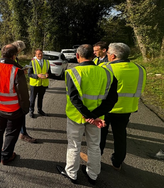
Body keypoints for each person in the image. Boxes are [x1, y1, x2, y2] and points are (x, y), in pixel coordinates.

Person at [56, 44, 118, 185]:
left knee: (74, 145)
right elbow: (112, 99)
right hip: (97, 118)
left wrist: (87, 115)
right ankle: (93, 175)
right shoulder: (107, 73)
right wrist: (94, 115)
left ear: (77, 56)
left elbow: (74, 98)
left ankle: (72, 174)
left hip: (76, 117)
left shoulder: (72, 72)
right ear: (94, 55)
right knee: (94, 146)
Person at [100, 42, 147, 170]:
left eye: (108, 53)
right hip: (127, 109)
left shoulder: (105, 67)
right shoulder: (140, 69)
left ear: (113, 56)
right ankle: (117, 162)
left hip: (106, 109)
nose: (107, 55)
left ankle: (96, 159)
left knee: (100, 136)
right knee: (120, 136)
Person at [0, 44, 30, 164]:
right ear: (14, 56)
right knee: (11, 132)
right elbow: (23, 95)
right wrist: (25, 109)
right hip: (14, 110)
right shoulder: (17, 71)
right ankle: (6, 156)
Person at [11, 40, 36, 143]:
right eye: (20, 50)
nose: (20, 52)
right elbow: (11, 69)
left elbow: (14, 67)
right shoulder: (11, 56)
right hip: (13, 88)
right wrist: (21, 72)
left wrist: (21, 69)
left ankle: (22, 131)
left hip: (13, 87)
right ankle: (22, 133)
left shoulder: (13, 56)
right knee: (20, 111)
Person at [28, 49, 51, 118]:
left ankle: (40, 110)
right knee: (32, 98)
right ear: (35, 55)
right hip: (34, 84)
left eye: (41, 53)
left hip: (43, 84)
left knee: (40, 98)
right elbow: (29, 74)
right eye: (38, 54)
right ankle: (31, 111)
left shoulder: (47, 62)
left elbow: (50, 72)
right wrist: (37, 76)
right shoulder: (32, 62)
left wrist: (48, 75)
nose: (40, 55)